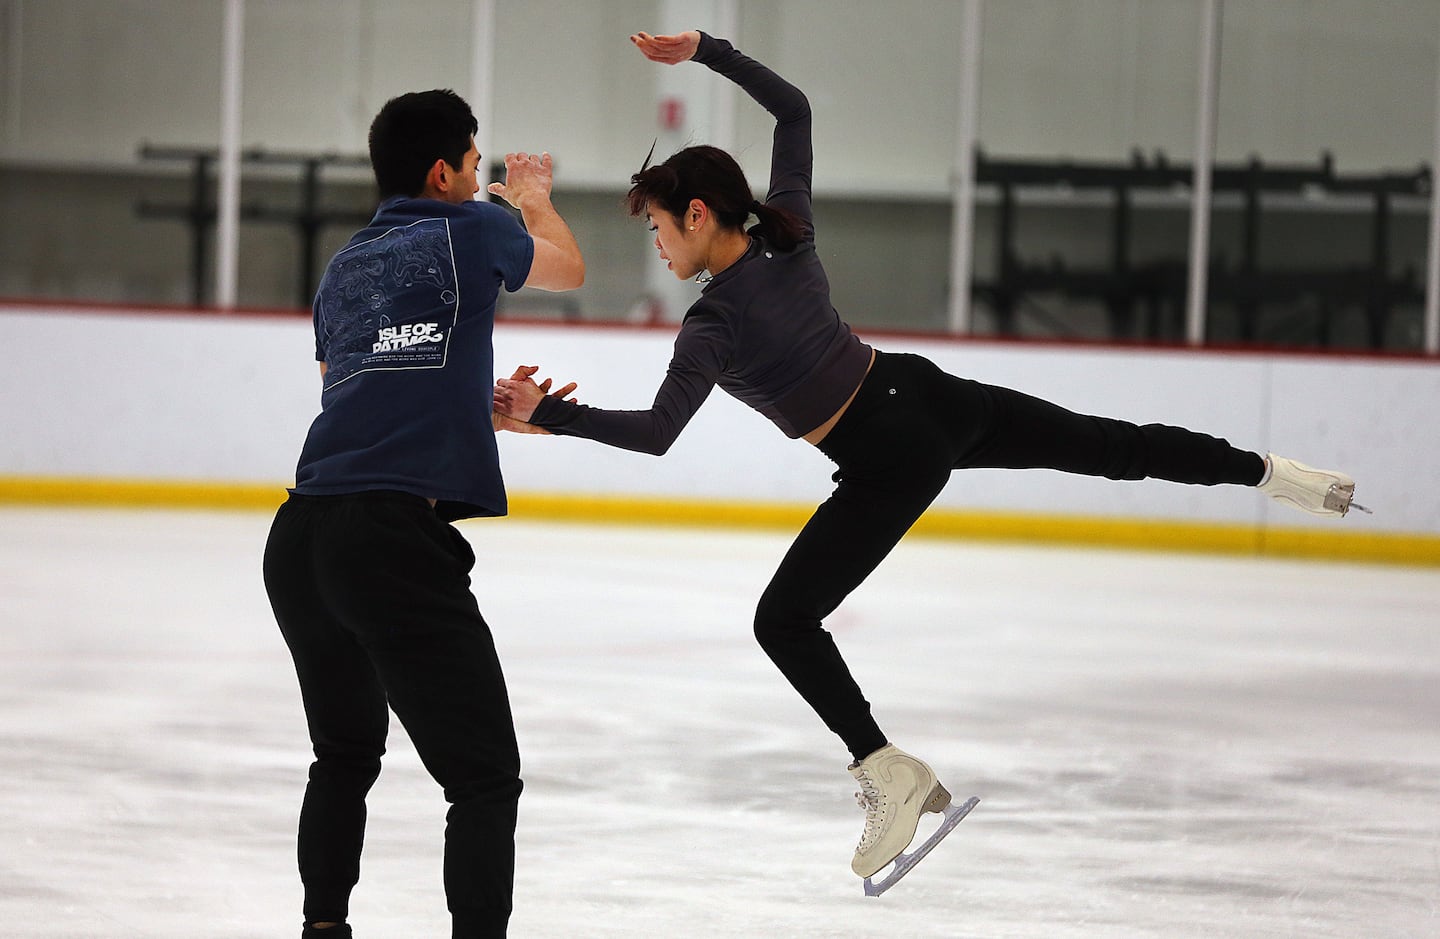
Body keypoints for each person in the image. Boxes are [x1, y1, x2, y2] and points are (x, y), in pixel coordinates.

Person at [492, 30, 1364, 888]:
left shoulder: (713, 325)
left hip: (886, 453)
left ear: (696, 214)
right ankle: (1275, 475)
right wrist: (707, 52)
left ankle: (884, 768)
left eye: (656, 226)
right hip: (927, 397)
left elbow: (654, 434)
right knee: (1108, 446)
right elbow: (791, 110)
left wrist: (551, 416)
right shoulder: (787, 233)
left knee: (782, 621)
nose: (657, 245)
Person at [263, 88, 584, 939]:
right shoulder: (473, 226)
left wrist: (464, 404)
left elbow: (352, 387)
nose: (484, 183)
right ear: (443, 173)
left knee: (343, 754)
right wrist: (533, 200)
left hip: (301, 540)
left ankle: (322, 927)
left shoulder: (342, 267)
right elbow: (565, 265)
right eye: (478, 170)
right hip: (386, 540)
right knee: (484, 777)